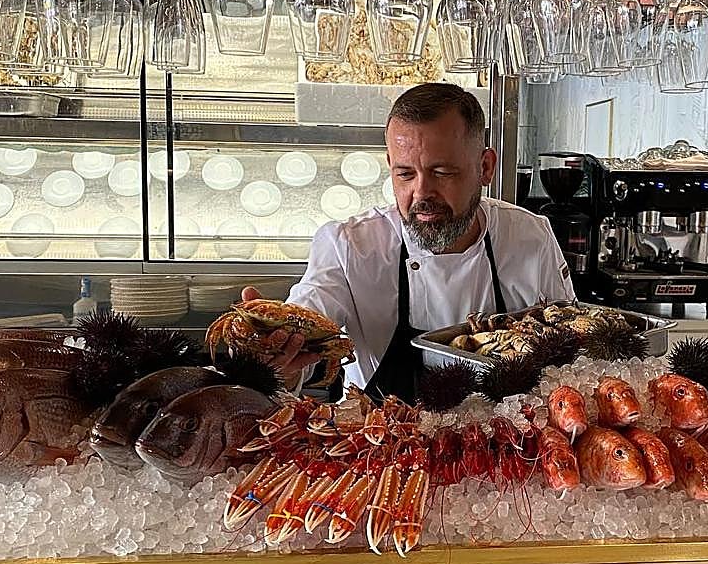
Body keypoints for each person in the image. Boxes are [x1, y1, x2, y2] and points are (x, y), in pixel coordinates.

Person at [243, 83, 575, 399]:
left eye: (443, 172)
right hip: (384, 446)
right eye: (405, 174)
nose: (421, 193)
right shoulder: (349, 246)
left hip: (508, 447)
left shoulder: (531, 237)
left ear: (485, 167)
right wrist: (277, 357)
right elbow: (305, 333)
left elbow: (568, 355)